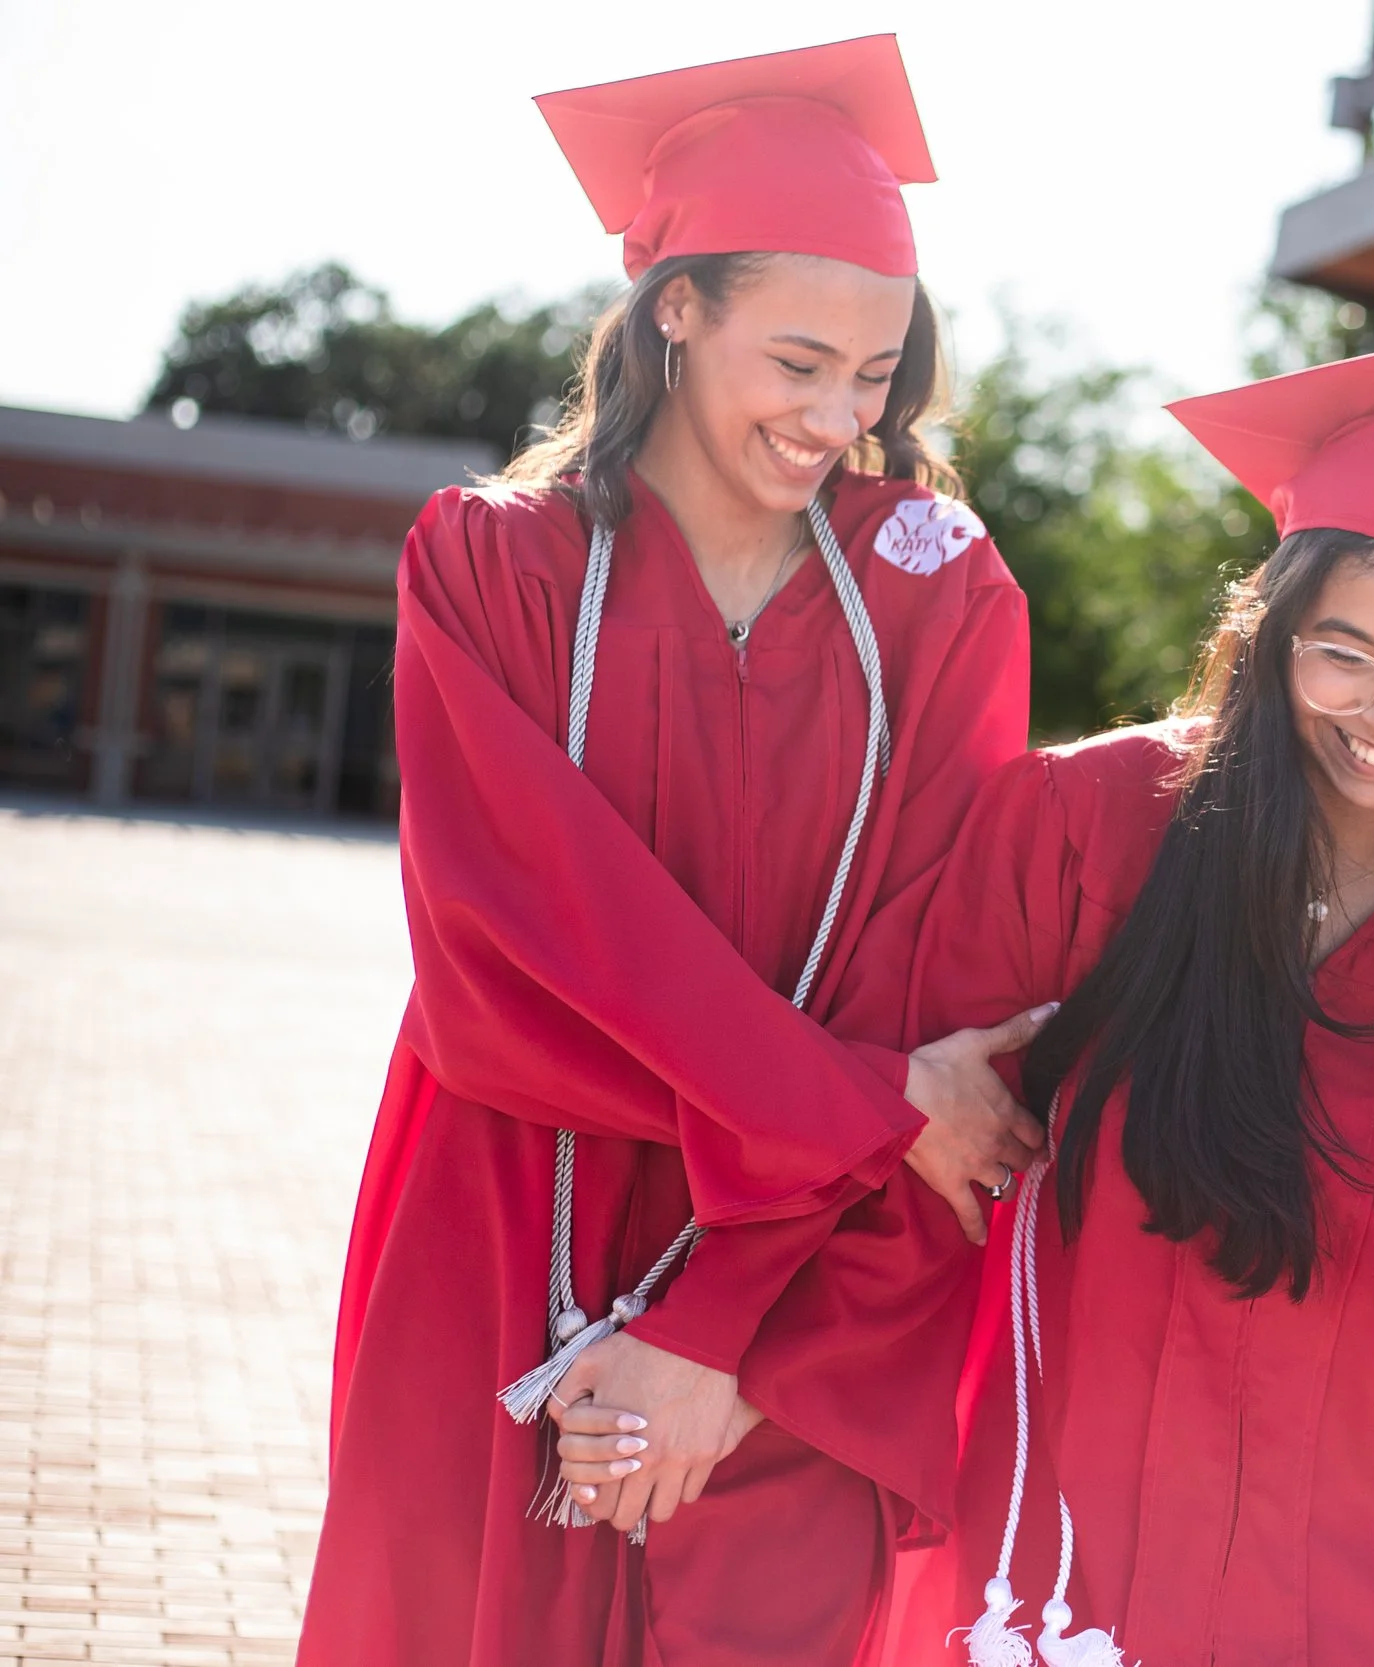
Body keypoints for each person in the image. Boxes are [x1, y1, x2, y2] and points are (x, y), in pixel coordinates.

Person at [302, 36, 1047, 1666]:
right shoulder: (487, 567)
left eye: (875, 373)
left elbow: (930, 994)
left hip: (817, 1276)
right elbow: (515, 961)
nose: (838, 418)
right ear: (675, 306)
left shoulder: (937, 589)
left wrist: (719, 1327)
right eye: (798, 358)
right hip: (505, 1219)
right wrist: (864, 1104)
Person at [854, 332, 1374, 1664]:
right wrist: (737, 1352)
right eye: (1345, 655)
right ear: (1270, 635)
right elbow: (910, 1175)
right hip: (1071, 1577)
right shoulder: (1088, 827)